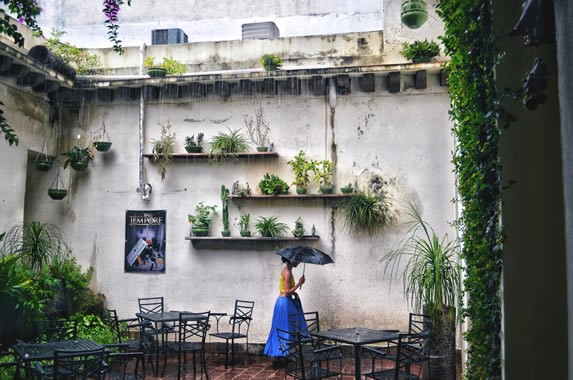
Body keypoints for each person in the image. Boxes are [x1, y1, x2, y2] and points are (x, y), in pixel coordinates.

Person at [264, 257, 307, 367]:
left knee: (283, 329)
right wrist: (299, 283)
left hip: (282, 302)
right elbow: (287, 292)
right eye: (297, 260)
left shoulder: (287, 270)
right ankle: (278, 357)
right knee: (284, 329)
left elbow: (285, 289)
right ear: (292, 260)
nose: (299, 262)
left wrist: (295, 293)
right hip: (284, 304)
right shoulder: (287, 272)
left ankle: (280, 356)